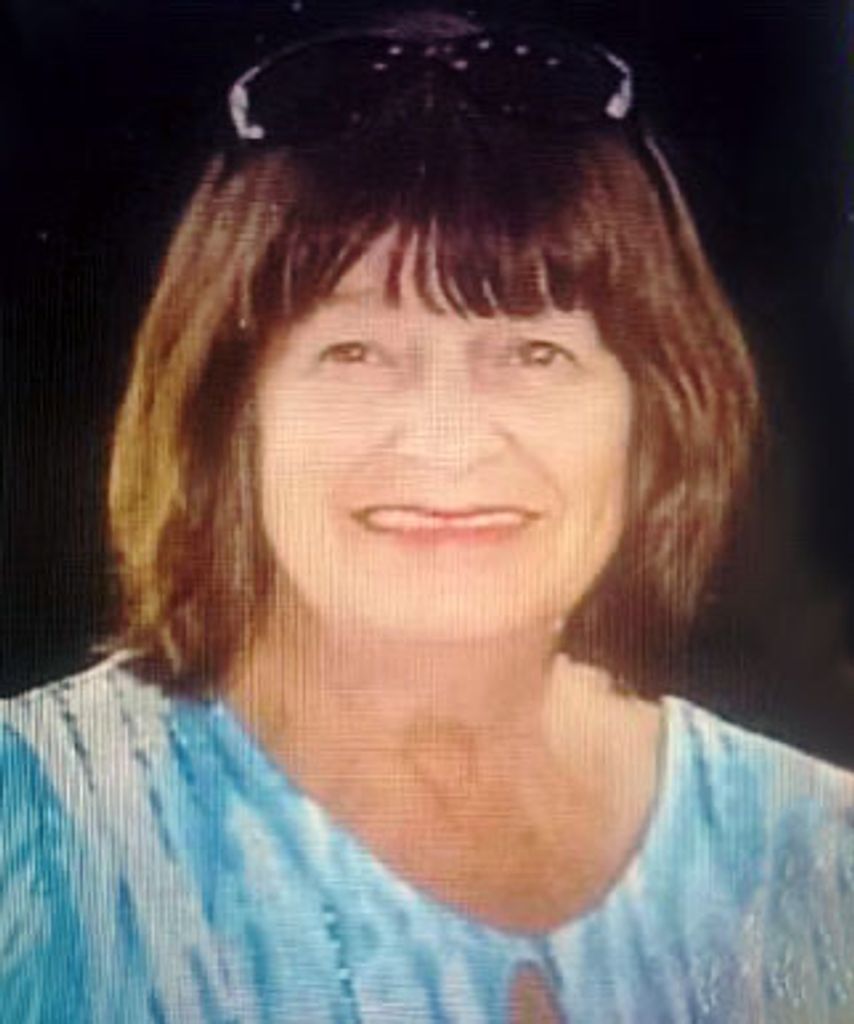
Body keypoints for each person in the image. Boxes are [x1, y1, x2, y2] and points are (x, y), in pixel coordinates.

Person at [1, 7, 852, 1022]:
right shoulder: (32, 829)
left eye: (534, 352)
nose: (447, 443)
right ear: (229, 417)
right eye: (354, 353)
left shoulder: (819, 848)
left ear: (654, 412)